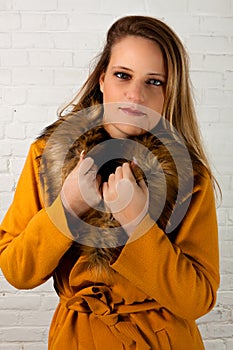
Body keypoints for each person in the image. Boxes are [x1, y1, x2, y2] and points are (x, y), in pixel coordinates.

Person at [0, 15, 220, 349]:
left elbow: (197, 300)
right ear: (102, 78)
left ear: (170, 92)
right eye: (122, 75)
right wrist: (69, 207)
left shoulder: (190, 175)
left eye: (155, 82)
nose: (135, 95)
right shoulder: (47, 156)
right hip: (77, 339)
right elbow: (18, 271)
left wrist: (137, 223)